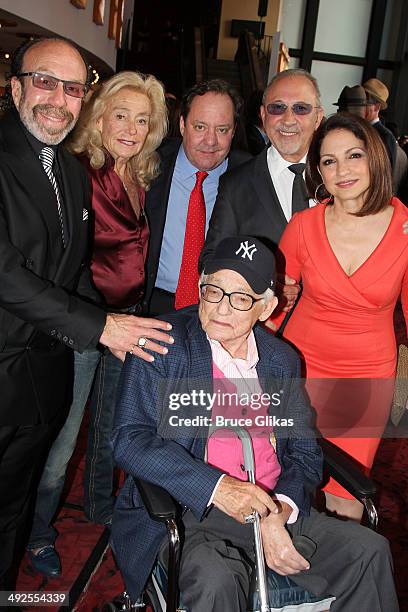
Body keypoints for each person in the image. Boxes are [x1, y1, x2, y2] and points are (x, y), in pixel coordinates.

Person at [110, 236, 398, 612]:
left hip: (274, 506)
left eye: (241, 297)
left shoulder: (281, 359)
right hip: (195, 510)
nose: (221, 308)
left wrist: (279, 510)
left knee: (369, 552)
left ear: (266, 308)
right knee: (215, 579)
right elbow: (129, 439)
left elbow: (305, 452)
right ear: (200, 288)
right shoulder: (165, 344)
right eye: (213, 290)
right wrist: (220, 488)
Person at [26, 70, 169, 576]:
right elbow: (60, 257)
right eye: (120, 115)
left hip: (129, 320)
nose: (130, 128)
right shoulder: (78, 171)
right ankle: (37, 531)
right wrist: (96, 321)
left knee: (113, 425)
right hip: (86, 326)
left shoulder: (141, 174)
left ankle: (99, 505)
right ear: (99, 117)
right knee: (63, 438)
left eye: (142, 120)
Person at [269, 112, 408, 520]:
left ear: (374, 160)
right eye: (329, 161)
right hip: (300, 366)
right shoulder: (302, 226)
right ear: (319, 171)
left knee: (345, 492)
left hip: (365, 376)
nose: (342, 170)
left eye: (353, 156)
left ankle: (331, 576)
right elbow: (273, 308)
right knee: (286, 477)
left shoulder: (405, 229)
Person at [200, 69, 323, 305]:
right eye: (278, 108)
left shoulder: (338, 179)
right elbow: (212, 260)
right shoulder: (236, 184)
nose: (288, 119)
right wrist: (261, 283)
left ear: (317, 118)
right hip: (263, 331)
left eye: (301, 108)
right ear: (263, 115)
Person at [142, 78, 251, 316]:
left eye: (222, 130)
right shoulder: (148, 161)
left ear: (233, 131)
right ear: (182, 125)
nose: (210, 141)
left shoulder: (250, 177)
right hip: (150, 304)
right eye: (200, 127)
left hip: (218, 311)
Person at [363, 77, 397, 171]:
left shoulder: (385, 136)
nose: (361, 106)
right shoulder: (357, 128)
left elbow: (386, 173)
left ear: (377, 107)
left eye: (365, 102)